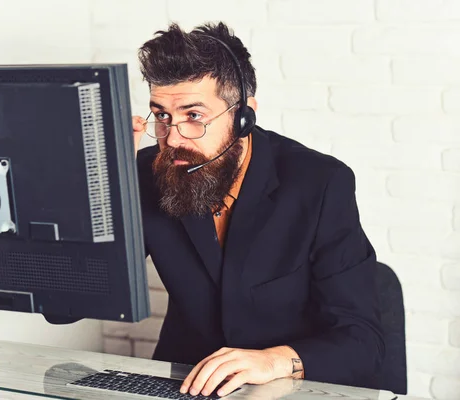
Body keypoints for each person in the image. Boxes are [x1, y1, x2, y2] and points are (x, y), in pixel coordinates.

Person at [132, 22, 384, 398]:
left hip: (290, 389)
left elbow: (365, 341)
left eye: (194, 116)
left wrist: (275, 361)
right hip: (184, 386)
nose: (174, 137)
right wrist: (102, 176)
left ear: (244, 116)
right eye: (163, 116)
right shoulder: (145, 170)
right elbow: (66, 306)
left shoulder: (320, 183)